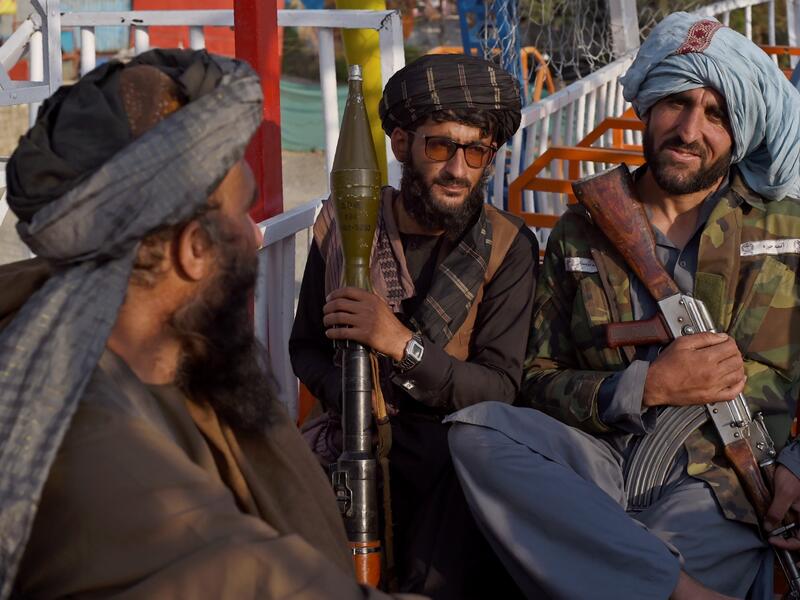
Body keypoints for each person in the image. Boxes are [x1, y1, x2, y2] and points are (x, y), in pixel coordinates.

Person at [0, 49, 410, 599]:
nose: (258, 235)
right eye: (244, 213)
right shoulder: (108, 468)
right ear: (193, 250)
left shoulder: (175, 359)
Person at [446, 12, 800, 600]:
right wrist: (646, 387)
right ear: (647, 106)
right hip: (601, 463)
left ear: (740, 132)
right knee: (475, 431)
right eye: (676, 103)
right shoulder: (582, 231)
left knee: (648, 542)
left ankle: (640, 569)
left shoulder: (786, 232)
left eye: (716, 114)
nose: (689, 129)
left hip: (721, 482)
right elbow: (536, 380)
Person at [289, 54, 538, 599]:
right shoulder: (343, 224)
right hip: (352, 437)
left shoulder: (508, 247)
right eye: (441, 146)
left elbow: (499, 387)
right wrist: (354, 397)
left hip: (454, 451)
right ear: (401, 144)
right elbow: (305, 347)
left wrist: (400, 344)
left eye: (476, 151)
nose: (458, 168)